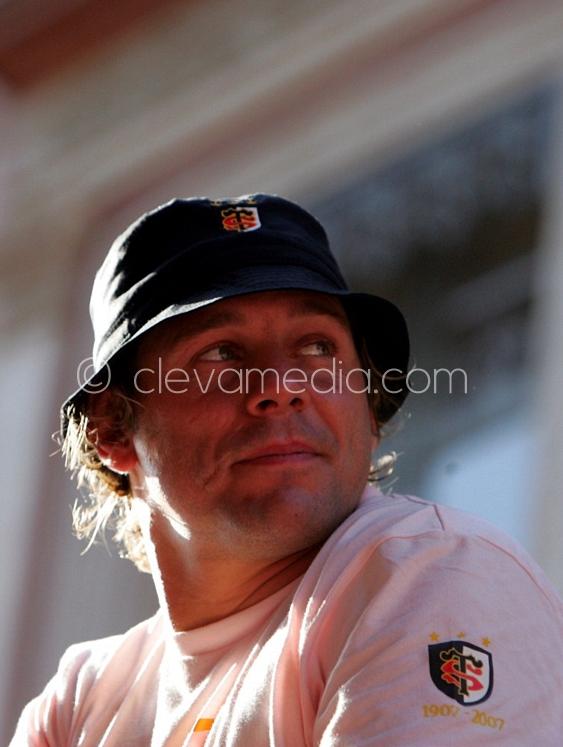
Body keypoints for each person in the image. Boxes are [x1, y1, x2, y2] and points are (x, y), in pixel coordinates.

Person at [11, 194, 563, 746]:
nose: (282, 385)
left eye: (318, 346)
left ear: (367, 406)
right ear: (111, 428)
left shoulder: (427, 572)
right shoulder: (76, 706)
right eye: (221, 353)